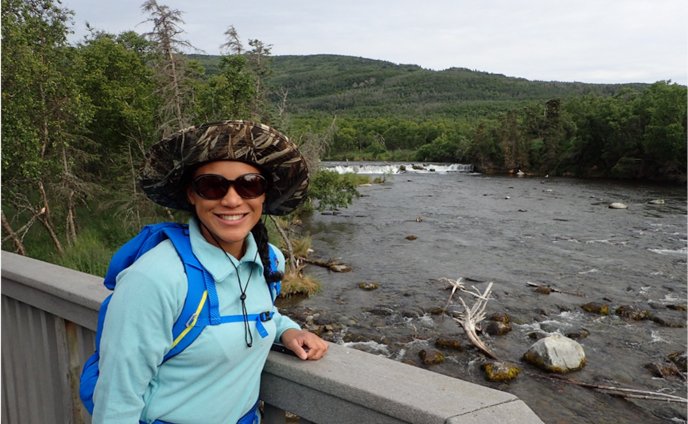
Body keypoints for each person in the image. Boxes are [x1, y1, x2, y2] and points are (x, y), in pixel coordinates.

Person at [92, 120, 329, 424]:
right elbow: (116, 403)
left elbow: (257, 308)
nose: (232, 200)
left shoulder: (269, 261)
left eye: (250, 184)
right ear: (192, 195)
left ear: (263, 195)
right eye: (212, 186)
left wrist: (287, 330)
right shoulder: (155, 278)